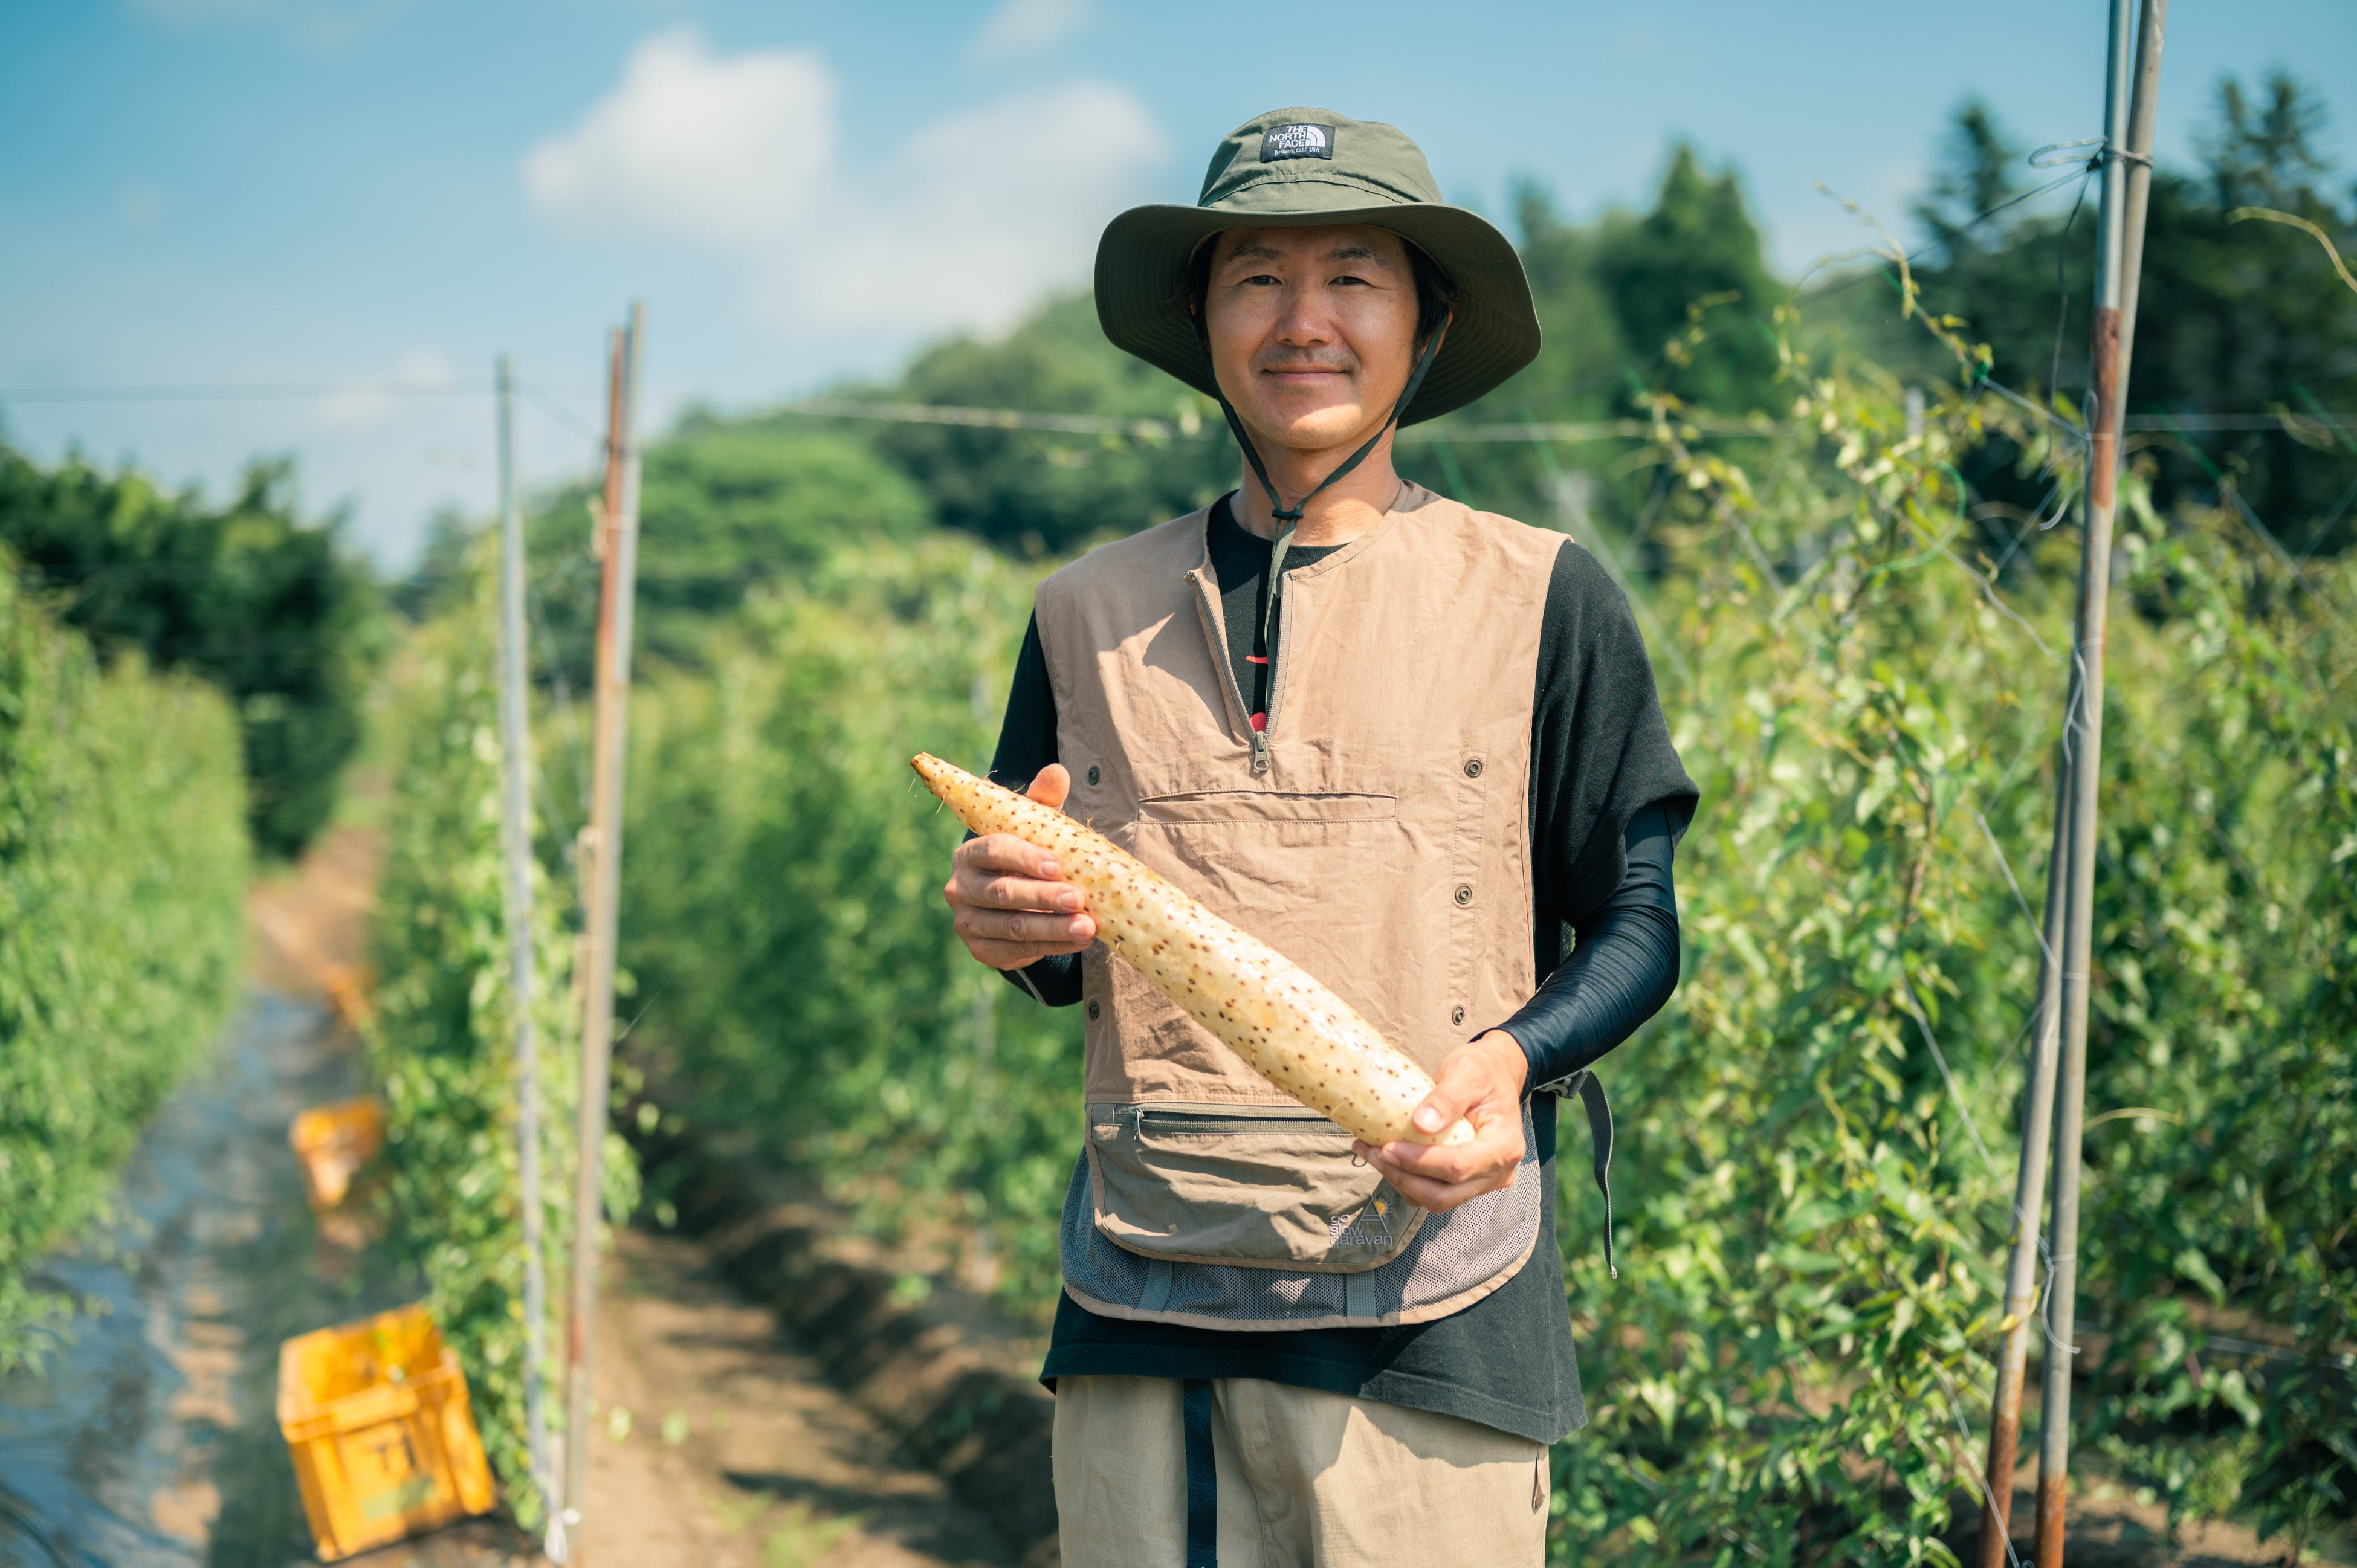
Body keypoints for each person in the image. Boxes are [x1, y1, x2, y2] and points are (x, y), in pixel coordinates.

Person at [941, 108, 1698, 1567]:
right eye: (1256, 279)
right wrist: (1006, 928)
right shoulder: (1083, 611)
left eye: (1354, 275)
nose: (1305, 321)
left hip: (1434, 1316)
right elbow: (1054, 944)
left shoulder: (1542, 595)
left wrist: (1511, 1061)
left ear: (1429, 320)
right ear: (1203, 321)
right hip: (1142, 1296)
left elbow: (1640, 916)